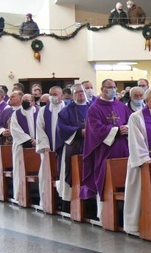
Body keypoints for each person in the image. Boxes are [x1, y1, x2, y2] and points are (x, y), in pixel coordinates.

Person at [82, 79, 132, 219]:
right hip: (105, 152)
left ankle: (124, 215)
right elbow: (96, 129)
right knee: (104, 181)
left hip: (124, 149)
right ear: (102, 89)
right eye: (109, 87)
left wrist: (127, 128)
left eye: (114, 87)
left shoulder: (122, 106)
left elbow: (130, 122)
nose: (112, 90)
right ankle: (105, 215)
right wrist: (117, 130)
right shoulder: (94, 108)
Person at [123, 88, 151, 235]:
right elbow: (135, 140)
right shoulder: (136, 117)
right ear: (146, 101)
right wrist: (145, 159)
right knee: (140, 194)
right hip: (144, 162)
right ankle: (135, 224)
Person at [57, 84, 90, 212]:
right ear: (72, 95)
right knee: (72, 174)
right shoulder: (66, 110)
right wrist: (79, 132)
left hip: (90, 146)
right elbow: (61, 128)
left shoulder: (92, 108)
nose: (80, 94)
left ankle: (89, 203)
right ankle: (69, 205)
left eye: (82, 91)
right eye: (77, 92)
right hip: (73, 146)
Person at [35, 86, 64, 209]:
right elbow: (40, 129)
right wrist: (45, 146)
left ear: (61, 95)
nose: (53, 97)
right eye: (51, 94)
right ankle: (47, 201)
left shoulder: (68, 108)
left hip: (65, 149)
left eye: (55, 94)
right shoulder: (43, 110)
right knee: (46, 174)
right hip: (49, 150)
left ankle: (63, 201)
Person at [10, 94, 38, 204]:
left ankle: (38, 194)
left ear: (33, 102)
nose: (25, 102)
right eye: (23, 100)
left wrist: (38, 141)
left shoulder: (39, 112)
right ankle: (20, 194)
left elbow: (43, 127)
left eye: (28, 100)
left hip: (38, 145)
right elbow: (15, 129)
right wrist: (29, 141)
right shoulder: (16, 114)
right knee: (19, 169)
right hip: (21, 146)